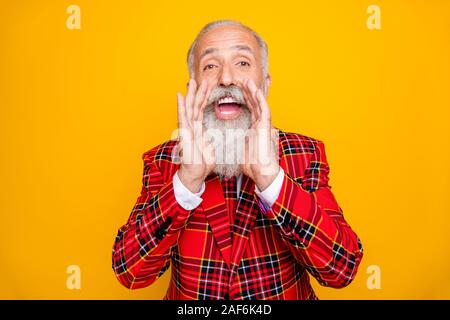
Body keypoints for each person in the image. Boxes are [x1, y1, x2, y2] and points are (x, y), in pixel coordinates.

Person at [112, 20, 363, 300]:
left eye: (243, 63)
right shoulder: (162, 160)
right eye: (210, 66)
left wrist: (271, 178)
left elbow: (342, 269)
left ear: (265, 84)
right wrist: (186, 182)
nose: (227, 79)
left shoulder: (304, 153)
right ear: (192, 86)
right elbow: (130, 272)